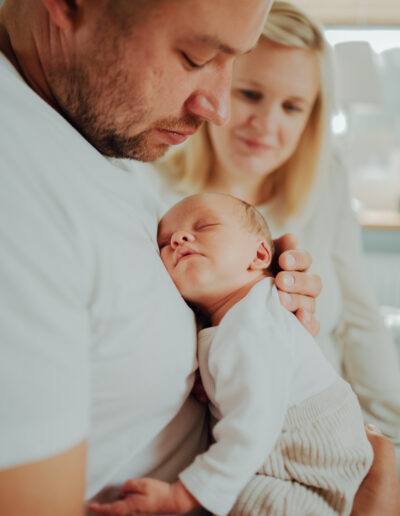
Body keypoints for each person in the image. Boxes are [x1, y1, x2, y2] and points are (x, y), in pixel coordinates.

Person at [0, 1, 398, 515]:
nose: (220, 108)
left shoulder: (97, 135)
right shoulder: (24, 188)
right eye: (196, 56)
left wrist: (237, 307)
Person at [142, 0, 400, 477]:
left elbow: (361, 324)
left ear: (312, 118)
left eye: (292, 106)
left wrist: (392, 438)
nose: (267, 123)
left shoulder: (326, 182)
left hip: (332, 429)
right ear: (218, 88)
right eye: (251, 94)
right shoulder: (158, 200)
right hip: (243, 451)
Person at [89, 193, 373, 516]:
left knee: (244, 503)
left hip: (306, 453)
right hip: (286, 455)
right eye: (165, 243)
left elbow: (254, 420)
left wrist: (182, 496)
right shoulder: (229, 321)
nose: (179, 238)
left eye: (205, 226)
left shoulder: (254, 320)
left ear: (260, 254)